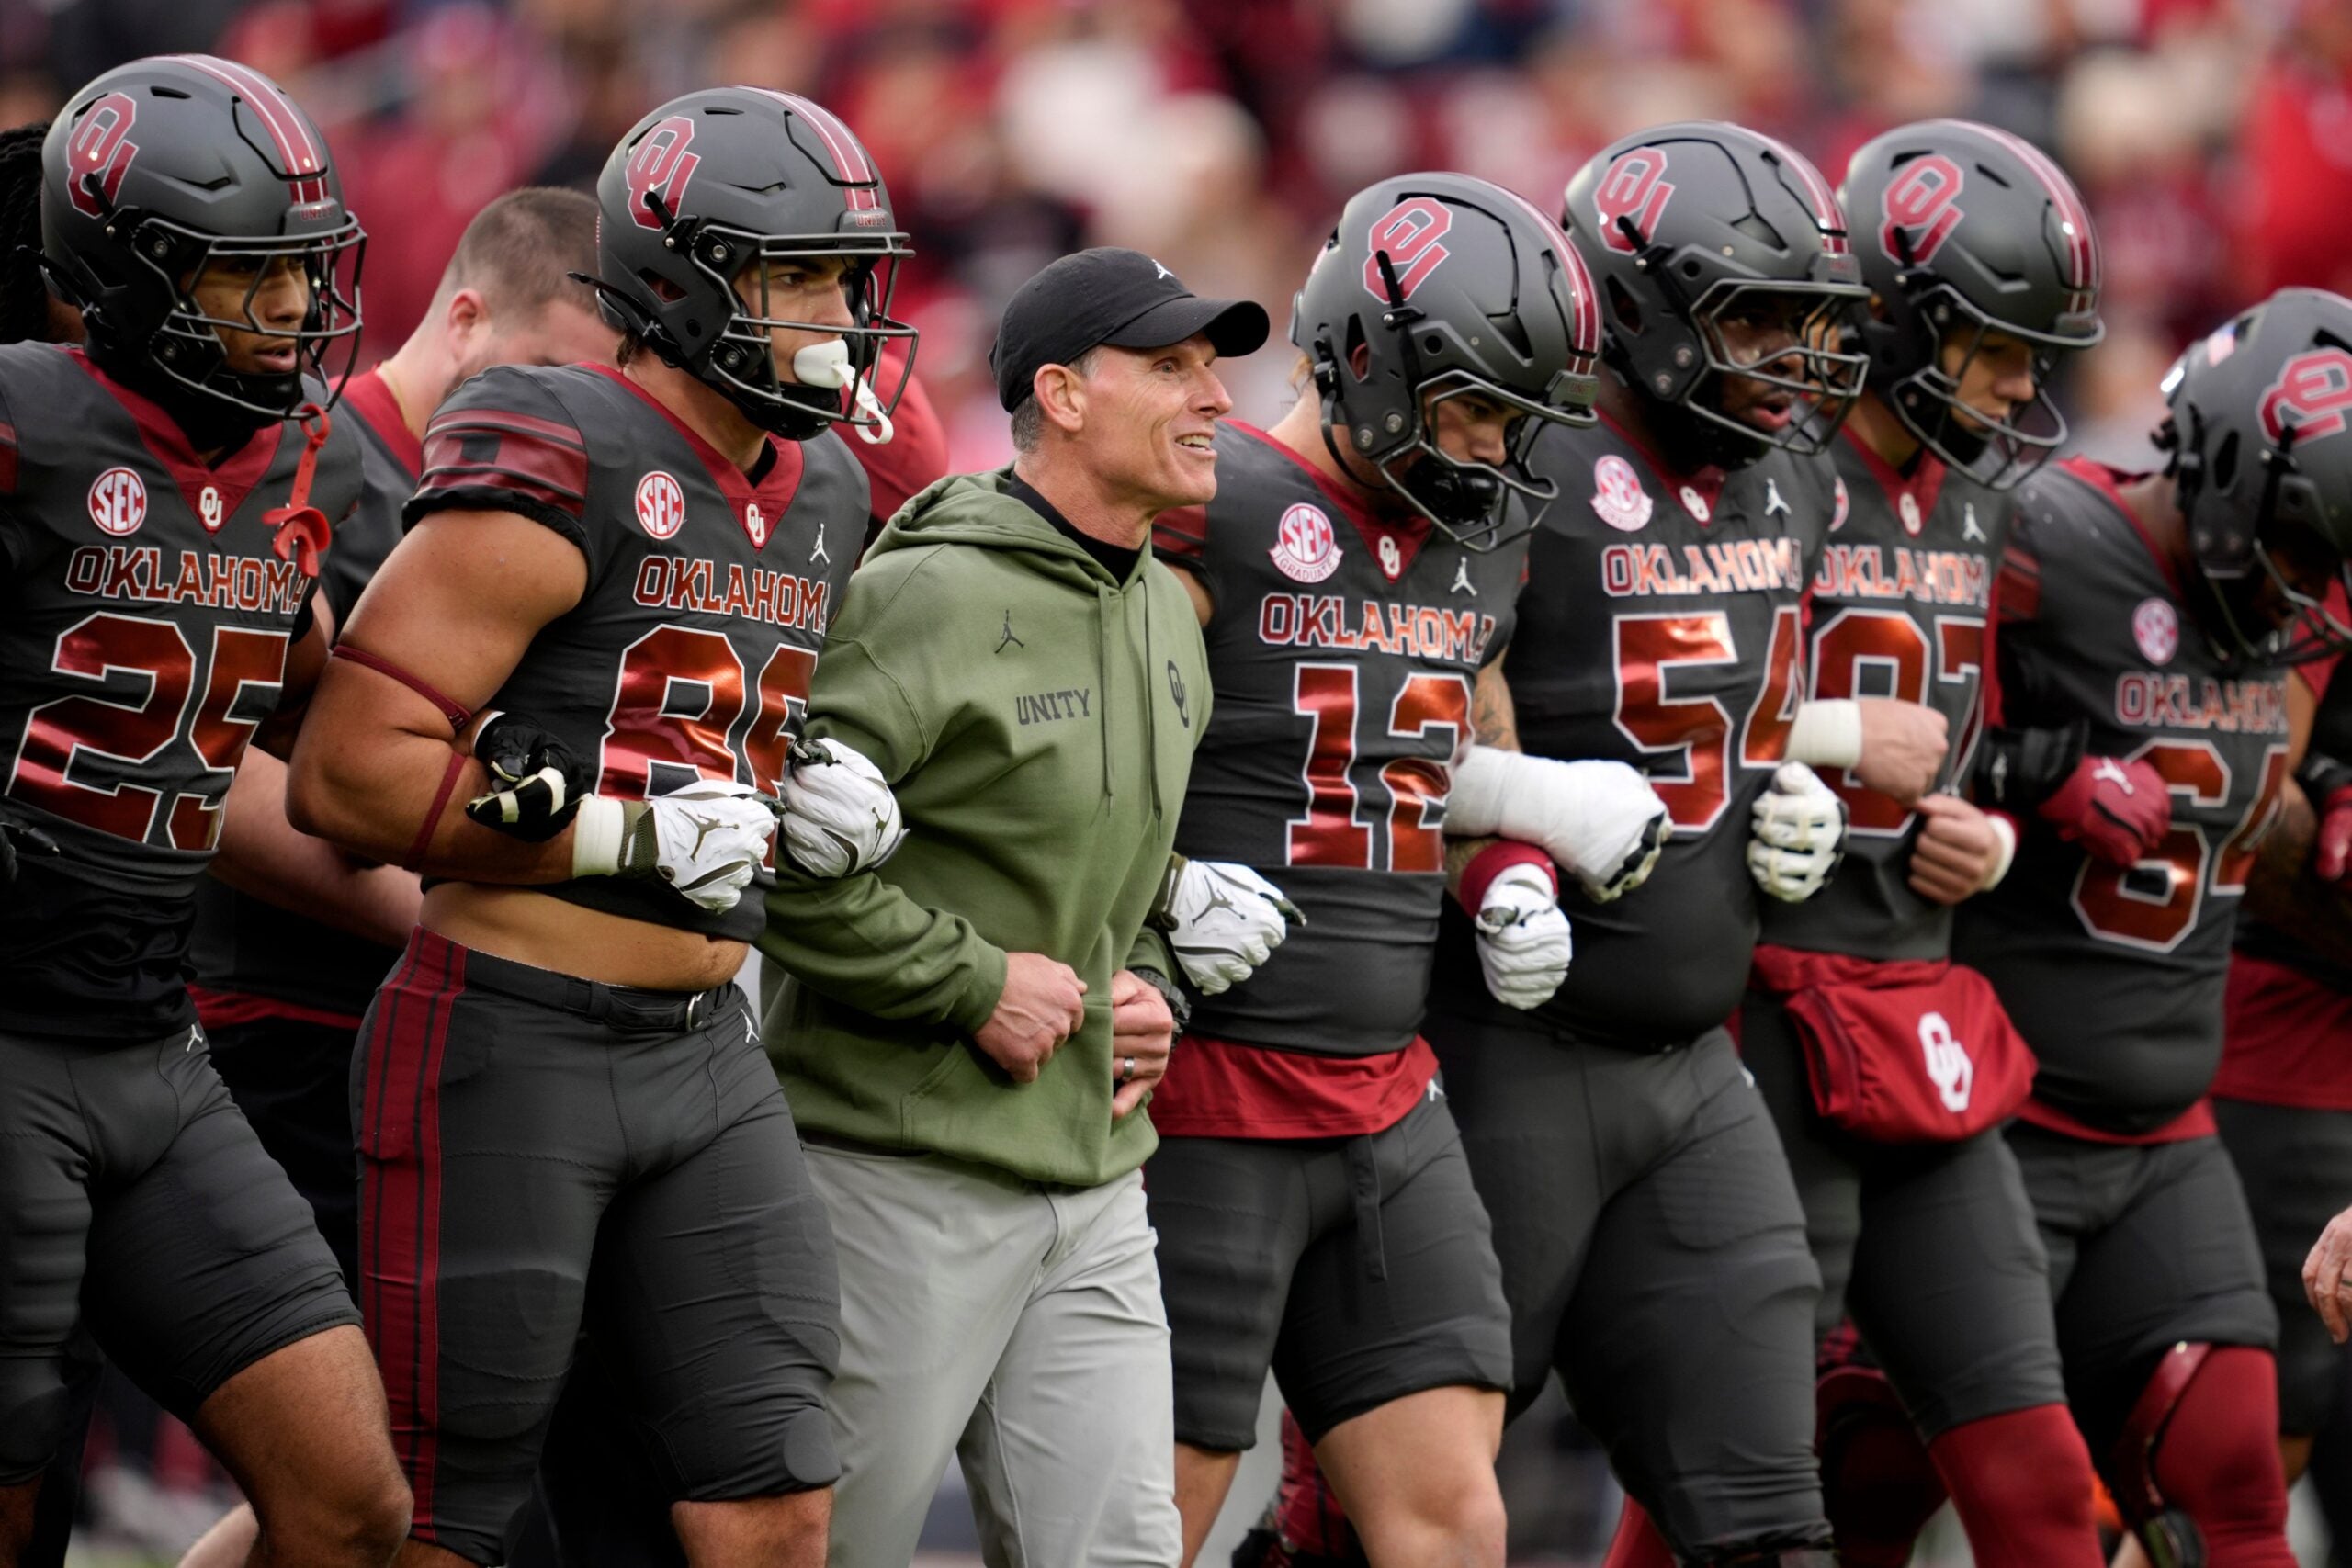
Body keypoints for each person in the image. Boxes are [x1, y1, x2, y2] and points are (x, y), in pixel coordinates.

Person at [285, 85, 912, 1568]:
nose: (842, 315)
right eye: (804, 276)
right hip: (511, 1032)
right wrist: (618, 840)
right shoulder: (557, 437)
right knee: (447, 1516)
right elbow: (351, 776)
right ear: (683, 282)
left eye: (850, 276)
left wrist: (805, 778)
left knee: (772, 1498)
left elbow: (662, 704)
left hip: (705, 1048)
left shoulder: (814, 478)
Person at [755, 245, 1273, 1567]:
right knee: (831, 1549)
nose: (1216, 398)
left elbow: (1112, 883)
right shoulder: (924, 588)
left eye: (1214, 367)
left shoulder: (1167, 606)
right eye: (1171, 366)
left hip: (1099, 1183)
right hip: (894, 1173)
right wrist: (973, 982)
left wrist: (1148, 972)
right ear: (1061, 392)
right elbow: (775, 865)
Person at [1142, 170, 1621, 1568]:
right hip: (1203, 1081)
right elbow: (1084, 749)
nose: (1492, 448)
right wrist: (1153, 896)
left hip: (1386, 1088)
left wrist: (1509, 869)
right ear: (1366, 361)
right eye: (1472, 405)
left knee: (1454, 1519)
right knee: (1144, 1511)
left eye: (1518, 415)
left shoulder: (1481, 540)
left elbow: (1469, 746)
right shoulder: (1203, 495)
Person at [1430, 121, 1883, 1568]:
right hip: (1508, 1051)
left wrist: (1793, 769)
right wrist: (1504, 843)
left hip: (1697, 1063)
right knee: (1393, 1521)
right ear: (1635, 302)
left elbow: (1739, 682)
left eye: (1805, 321)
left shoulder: (1787, 474)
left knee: (1772, 1524)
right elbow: (1404, 692)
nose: (1787, 356)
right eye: (1750, 317)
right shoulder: (1524, 451)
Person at [0, 53, 411, 1568]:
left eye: (304, 274)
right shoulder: (26, 418)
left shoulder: (297, 460)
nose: (300, 314)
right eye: (254, 279)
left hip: (153, 1052)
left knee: (354, 1504)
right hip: (11, 1030)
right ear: (134, 272)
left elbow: (299, 685)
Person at [173, 186, 616, 1568]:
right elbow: (220, 764)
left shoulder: (570, 491)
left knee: (466, 1459)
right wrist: (467, 914)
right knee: (389, 1474)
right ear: (467, 310)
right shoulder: (313, 457)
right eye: (554, 372)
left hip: (482, 1034)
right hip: (294, 1024)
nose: (576, 414)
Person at [1736, 119, 2113, 1568]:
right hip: (1760, 1003)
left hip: (1918, 991)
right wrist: (1827, 737)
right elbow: (1649, 720)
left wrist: (1988, 831)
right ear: (1898, 325)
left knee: (2033, 1469)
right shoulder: (1769, 463)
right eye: (2002, 346)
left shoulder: (1975, 490)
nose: (2026, 383)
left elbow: (1985, 735)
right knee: (1747, 1472)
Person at [1951, 285, 2352, 1568]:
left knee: (2235, 1491)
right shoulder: (2049, 537)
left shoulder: (2290, 599)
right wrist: (2031, 772)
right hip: (2007, 1099)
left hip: (2166, 1123)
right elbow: (1871, 727)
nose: (2312, 588)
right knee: (1882, 1480)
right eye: (2297, 548)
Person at [2221, 662, 2352, 1511]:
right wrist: (2329, 783)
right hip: (2295, 1043)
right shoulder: (2314, 569)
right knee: (2257, 1453)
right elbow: (2245, 788)